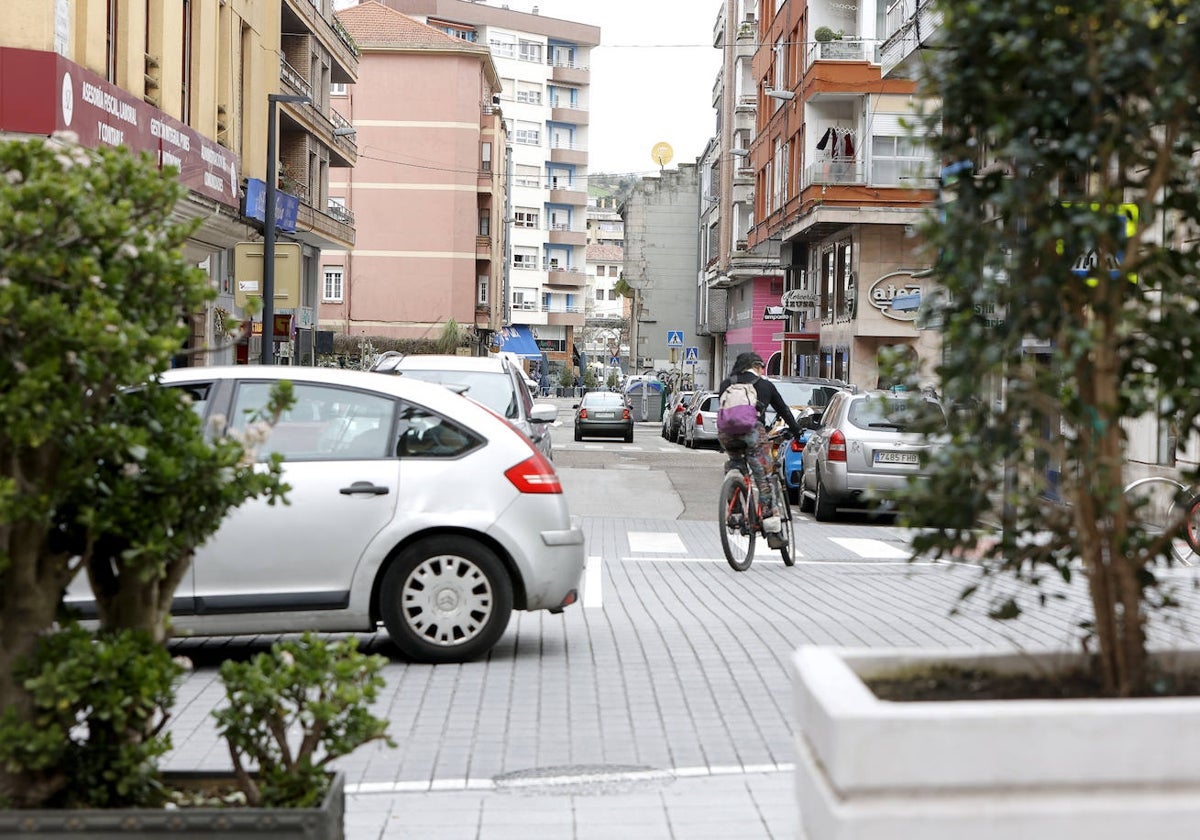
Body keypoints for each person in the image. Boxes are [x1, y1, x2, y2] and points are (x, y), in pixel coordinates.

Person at [717, 352, 803, 548]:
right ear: (755, 366)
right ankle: (772, 529)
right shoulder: (764, 385)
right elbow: (784, 411)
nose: (762, 371)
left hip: (727, 434)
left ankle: (736, 513)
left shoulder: (726, 384)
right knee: (764, 478)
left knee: (735, 467)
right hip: (753, 434)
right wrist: (797, 431)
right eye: (761, 367)